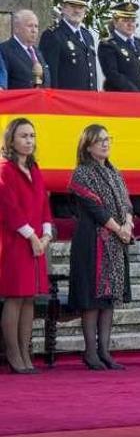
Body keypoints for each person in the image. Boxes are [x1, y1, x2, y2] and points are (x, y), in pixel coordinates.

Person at [68, 124, 133, 371]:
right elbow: (96, 209)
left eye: (108, 139)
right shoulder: (82, 173)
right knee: (92, 298)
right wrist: (119, 229)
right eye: (99, 140)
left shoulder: (115, 172)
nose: (105, 144)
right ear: (87, 145)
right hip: (91, 242)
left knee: (109, 299)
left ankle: (105, 351)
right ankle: (90, 352)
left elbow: (127, 203)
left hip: (115, 244)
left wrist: (128, 223)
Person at [0, 119, 52, 374]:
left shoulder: (35, 168)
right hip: (15, 242)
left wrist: (46, 234)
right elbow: (9, 209)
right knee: (15, 296)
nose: (29, 140)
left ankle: (25, 351)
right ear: (12, 140)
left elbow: (43, 204)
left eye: (32, 135)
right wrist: (31, 236)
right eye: (23, 136)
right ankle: (13, 353)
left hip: (36, 243)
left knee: (29, 297)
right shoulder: (5, 169)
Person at [38, 0, 97, 90]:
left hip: (88, 100)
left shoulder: (88, 36)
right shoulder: (53, 35)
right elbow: (50, 75)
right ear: (63, 8)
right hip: (65, 101)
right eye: (73, 6)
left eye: (81, 7)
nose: (77, 11)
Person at [97, 2, 140, 92]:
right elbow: (112, 74)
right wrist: (135, 93)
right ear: (115, 22)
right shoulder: (108, 45)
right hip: (123, 99)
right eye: (125, 20)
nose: (130, 24)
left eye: (133, 20)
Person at [0, 10, 50, 89]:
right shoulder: (4, 50)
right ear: (16, 28)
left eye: (36, 26)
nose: (34, 30)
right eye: (30, 26)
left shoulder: (38, 52)